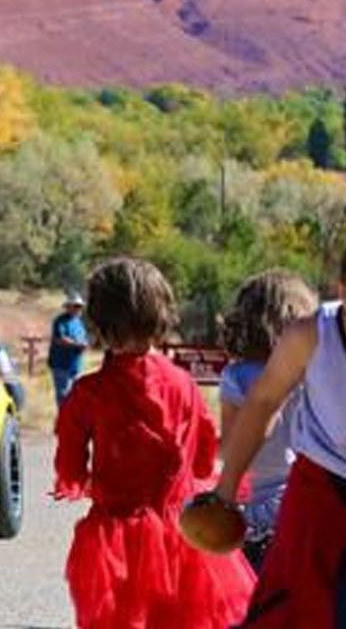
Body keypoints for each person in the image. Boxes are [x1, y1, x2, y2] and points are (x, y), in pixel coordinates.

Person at [210, 215, 346, 627]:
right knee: (298, 610)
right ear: (345, 294)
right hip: (323, 487)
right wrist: (224, 492)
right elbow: (263, 401)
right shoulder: (312, 336)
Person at [52, 257, 254, 629]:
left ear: (98, 322)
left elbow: (70, 468)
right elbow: (203, 459)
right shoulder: (182, 383)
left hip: (117, 539)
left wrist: (83, 482)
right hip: (184, 534)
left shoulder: (88, 393)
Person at [215, 270, 318, 570]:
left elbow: (232, 449)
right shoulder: (315, 372)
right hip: (312, 503)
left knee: (260, 604)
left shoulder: (237, 376)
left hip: (259, 513)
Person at [48, 290, 89, 404]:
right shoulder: (60, 321)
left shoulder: (79, 322)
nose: (78, 309)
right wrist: (78, 344)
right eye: (76, 306)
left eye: (80, 306)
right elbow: (60, 339)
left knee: (75, 396)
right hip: (61, 365)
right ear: (68, 307)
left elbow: (83, 338)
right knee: (64, 397)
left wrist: (84, 344)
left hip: (75, 365)